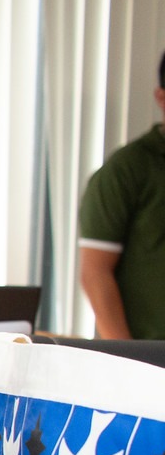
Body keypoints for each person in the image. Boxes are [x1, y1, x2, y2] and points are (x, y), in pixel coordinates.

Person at [78, 49, 165, 340]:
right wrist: (125, 360)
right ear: (161, 98)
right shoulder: (128, 169)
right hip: (150, 362)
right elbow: (95, 273)